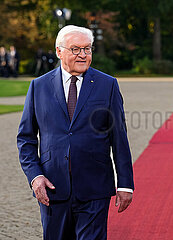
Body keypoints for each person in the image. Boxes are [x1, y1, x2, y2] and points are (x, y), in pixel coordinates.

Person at [17, 25, 134, 240]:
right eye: (75, 49)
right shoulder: (38, 87)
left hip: (95, 187)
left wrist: (125, 184)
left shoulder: (107, 85)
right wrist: (35, 177)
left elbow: (119, 137)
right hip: (53, 187)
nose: (82, 54)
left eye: (87, 49)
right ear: (59, 51)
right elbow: (26, 138)